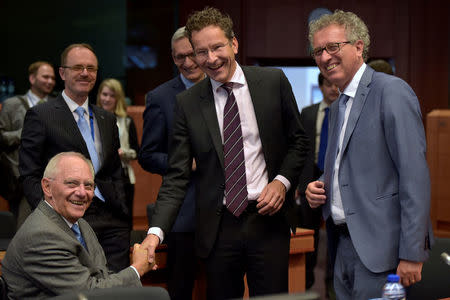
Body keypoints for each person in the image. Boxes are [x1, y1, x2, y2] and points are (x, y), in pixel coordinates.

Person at [141, 7, 309, 300]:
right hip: (218, 229)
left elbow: (299, 142)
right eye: (201, 52)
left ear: (234, 44)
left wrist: (282, 182)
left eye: (217, 47)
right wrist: (154, 233)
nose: (211, 58)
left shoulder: (273, 82)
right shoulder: (188, 103)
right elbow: (177, 176)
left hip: (267, 221)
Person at [306, 10, 433, 299]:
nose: (325, 57)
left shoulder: (391, 92)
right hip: (343, 245)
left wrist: (413, 253)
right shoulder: (338, 104)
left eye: (333, 47)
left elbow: (414, 176)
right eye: (318, 50)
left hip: (383, 253)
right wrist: (321, 185)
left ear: (359, 46)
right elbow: (351, 166)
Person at [19, 43, 131, 272]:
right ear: (62, 73)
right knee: (80, 290)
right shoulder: (41, 115)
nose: (85, 73)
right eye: (77, 67)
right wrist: (50, 216)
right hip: (66, 219)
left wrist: (121, 206)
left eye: (91, 68)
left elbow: (114, 170)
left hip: (112, 220)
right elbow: (29, 173)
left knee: (118, 289)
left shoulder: (107, 119)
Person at [2, 152, 153, 300]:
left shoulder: (80, 224)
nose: (82, 193)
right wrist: (138, 267)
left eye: (88, 185)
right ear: (47, 187)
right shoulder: (40, 236)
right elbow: (88, 294)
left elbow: (102, 276)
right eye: (72, 183)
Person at [138, 26, 204, 300]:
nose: (187, 63)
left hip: (227, 211)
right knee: (181, 289)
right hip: (184, 213)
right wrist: (182, 163)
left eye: (192, 55)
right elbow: (147, 155)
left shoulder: (225, 89)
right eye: (179, 57)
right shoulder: (160, 98)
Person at [0, 61, 55, 227]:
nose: (50, 81)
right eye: (45, 77)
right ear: (32, 78)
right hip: (20, 180)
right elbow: (1, 138)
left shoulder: (58, 106)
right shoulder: (12, 105)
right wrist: (27, 133)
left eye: (53, 78)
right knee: (22, 228)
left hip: (51, 179)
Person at [297, 72, 338, 291]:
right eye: (328, 85)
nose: (333, 89)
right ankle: (306, 284)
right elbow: (300, 149)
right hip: (309, 181)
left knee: (334, 236)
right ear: (321, 87)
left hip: (336, 182)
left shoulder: (346, 111)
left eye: (336, 84)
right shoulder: (308, 113)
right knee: (308, 235)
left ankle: (332, 284)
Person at [97, 78, 139, 226]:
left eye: (112, 95)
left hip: (123, 176)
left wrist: (123, 152)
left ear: (118, 98)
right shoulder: (91, 118)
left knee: (124, 220)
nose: (107, 99)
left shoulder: (126, 121)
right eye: (104, 94)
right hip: (97, 177)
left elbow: (137, 152)